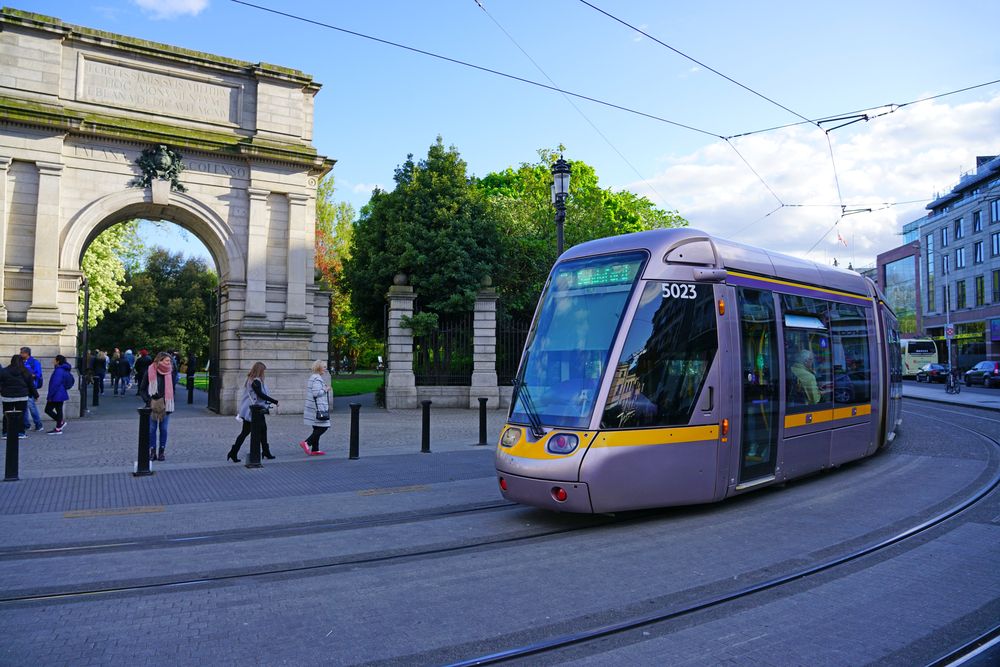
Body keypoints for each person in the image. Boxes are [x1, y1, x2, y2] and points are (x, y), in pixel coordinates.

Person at [227, 362, 279, 462]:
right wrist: (275, 401)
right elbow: (260, 395)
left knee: (257, 430)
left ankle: (234, 452)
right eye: (263, 371)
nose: (264, 373)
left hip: (252, 410)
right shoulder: (256, 381)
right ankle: (264, 452)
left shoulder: (251, 380)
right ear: (260, 371)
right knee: (250, 431)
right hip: (254, 411)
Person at [139, 352, 177, 461]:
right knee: (152, 429)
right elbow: (142, 388)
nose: (169, 363)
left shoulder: (171, 372)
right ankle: (152, 451)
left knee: (164, 429)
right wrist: (148, 401)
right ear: (159, 360)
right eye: (167, 361)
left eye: (169, 361)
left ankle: (161, 452)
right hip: (153, 405)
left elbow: (173, 389)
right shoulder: (150, 370)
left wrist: (168, 400)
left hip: (166, 405)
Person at [299, 359, 331, 456]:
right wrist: (326, 389)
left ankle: (315, 449)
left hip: (314, 408)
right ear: (319, 367)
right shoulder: (317, 378)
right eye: (324, 367)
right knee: (324, 427)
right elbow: (316, 393)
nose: (325, 369)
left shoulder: (314, 378)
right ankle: (307, 442)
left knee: (317, 427)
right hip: (318, 408)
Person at [1, 354, 37, 439]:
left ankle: (5, 433)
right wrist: (36, 395)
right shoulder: (26, 371)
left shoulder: (4, 371)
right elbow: (31, 385)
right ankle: (21, 432)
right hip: (22, 396)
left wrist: (2, 390)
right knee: (21, 415)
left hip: (7, 396)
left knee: (6, 415)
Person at [45, 355, 74, 434]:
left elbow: (55, 384)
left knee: (48, 409)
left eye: (54, 360)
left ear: (58, 361)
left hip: (56, 393)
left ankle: (60, 424)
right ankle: (59, 426)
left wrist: (50, 395)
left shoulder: (59, 370)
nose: (53, 361)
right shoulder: (63, 370)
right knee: (59, 410)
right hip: (61, 392)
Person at [19, 347, 44, 432]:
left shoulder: (34, 362)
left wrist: (27, 375)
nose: (20, 354)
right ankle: (26, 425)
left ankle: (38, 424)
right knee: (24, 407)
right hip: (23, 387)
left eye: (22, 353)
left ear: (27, 353)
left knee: (31, 406)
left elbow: (38, 374)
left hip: (30, 387)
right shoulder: (20, 362)